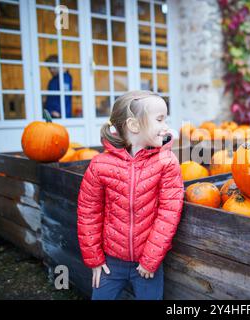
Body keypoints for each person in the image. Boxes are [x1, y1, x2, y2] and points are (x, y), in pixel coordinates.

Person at [77, 90, 184, 300]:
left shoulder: (167, 163)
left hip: (147, 264)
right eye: (160, 119)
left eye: (166, 119)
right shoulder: (100, 165)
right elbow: (88, 212)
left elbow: (169, 213)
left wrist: (151, 258)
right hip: (110, 263)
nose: (166, 126)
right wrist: (95, 259)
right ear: (134, 126)